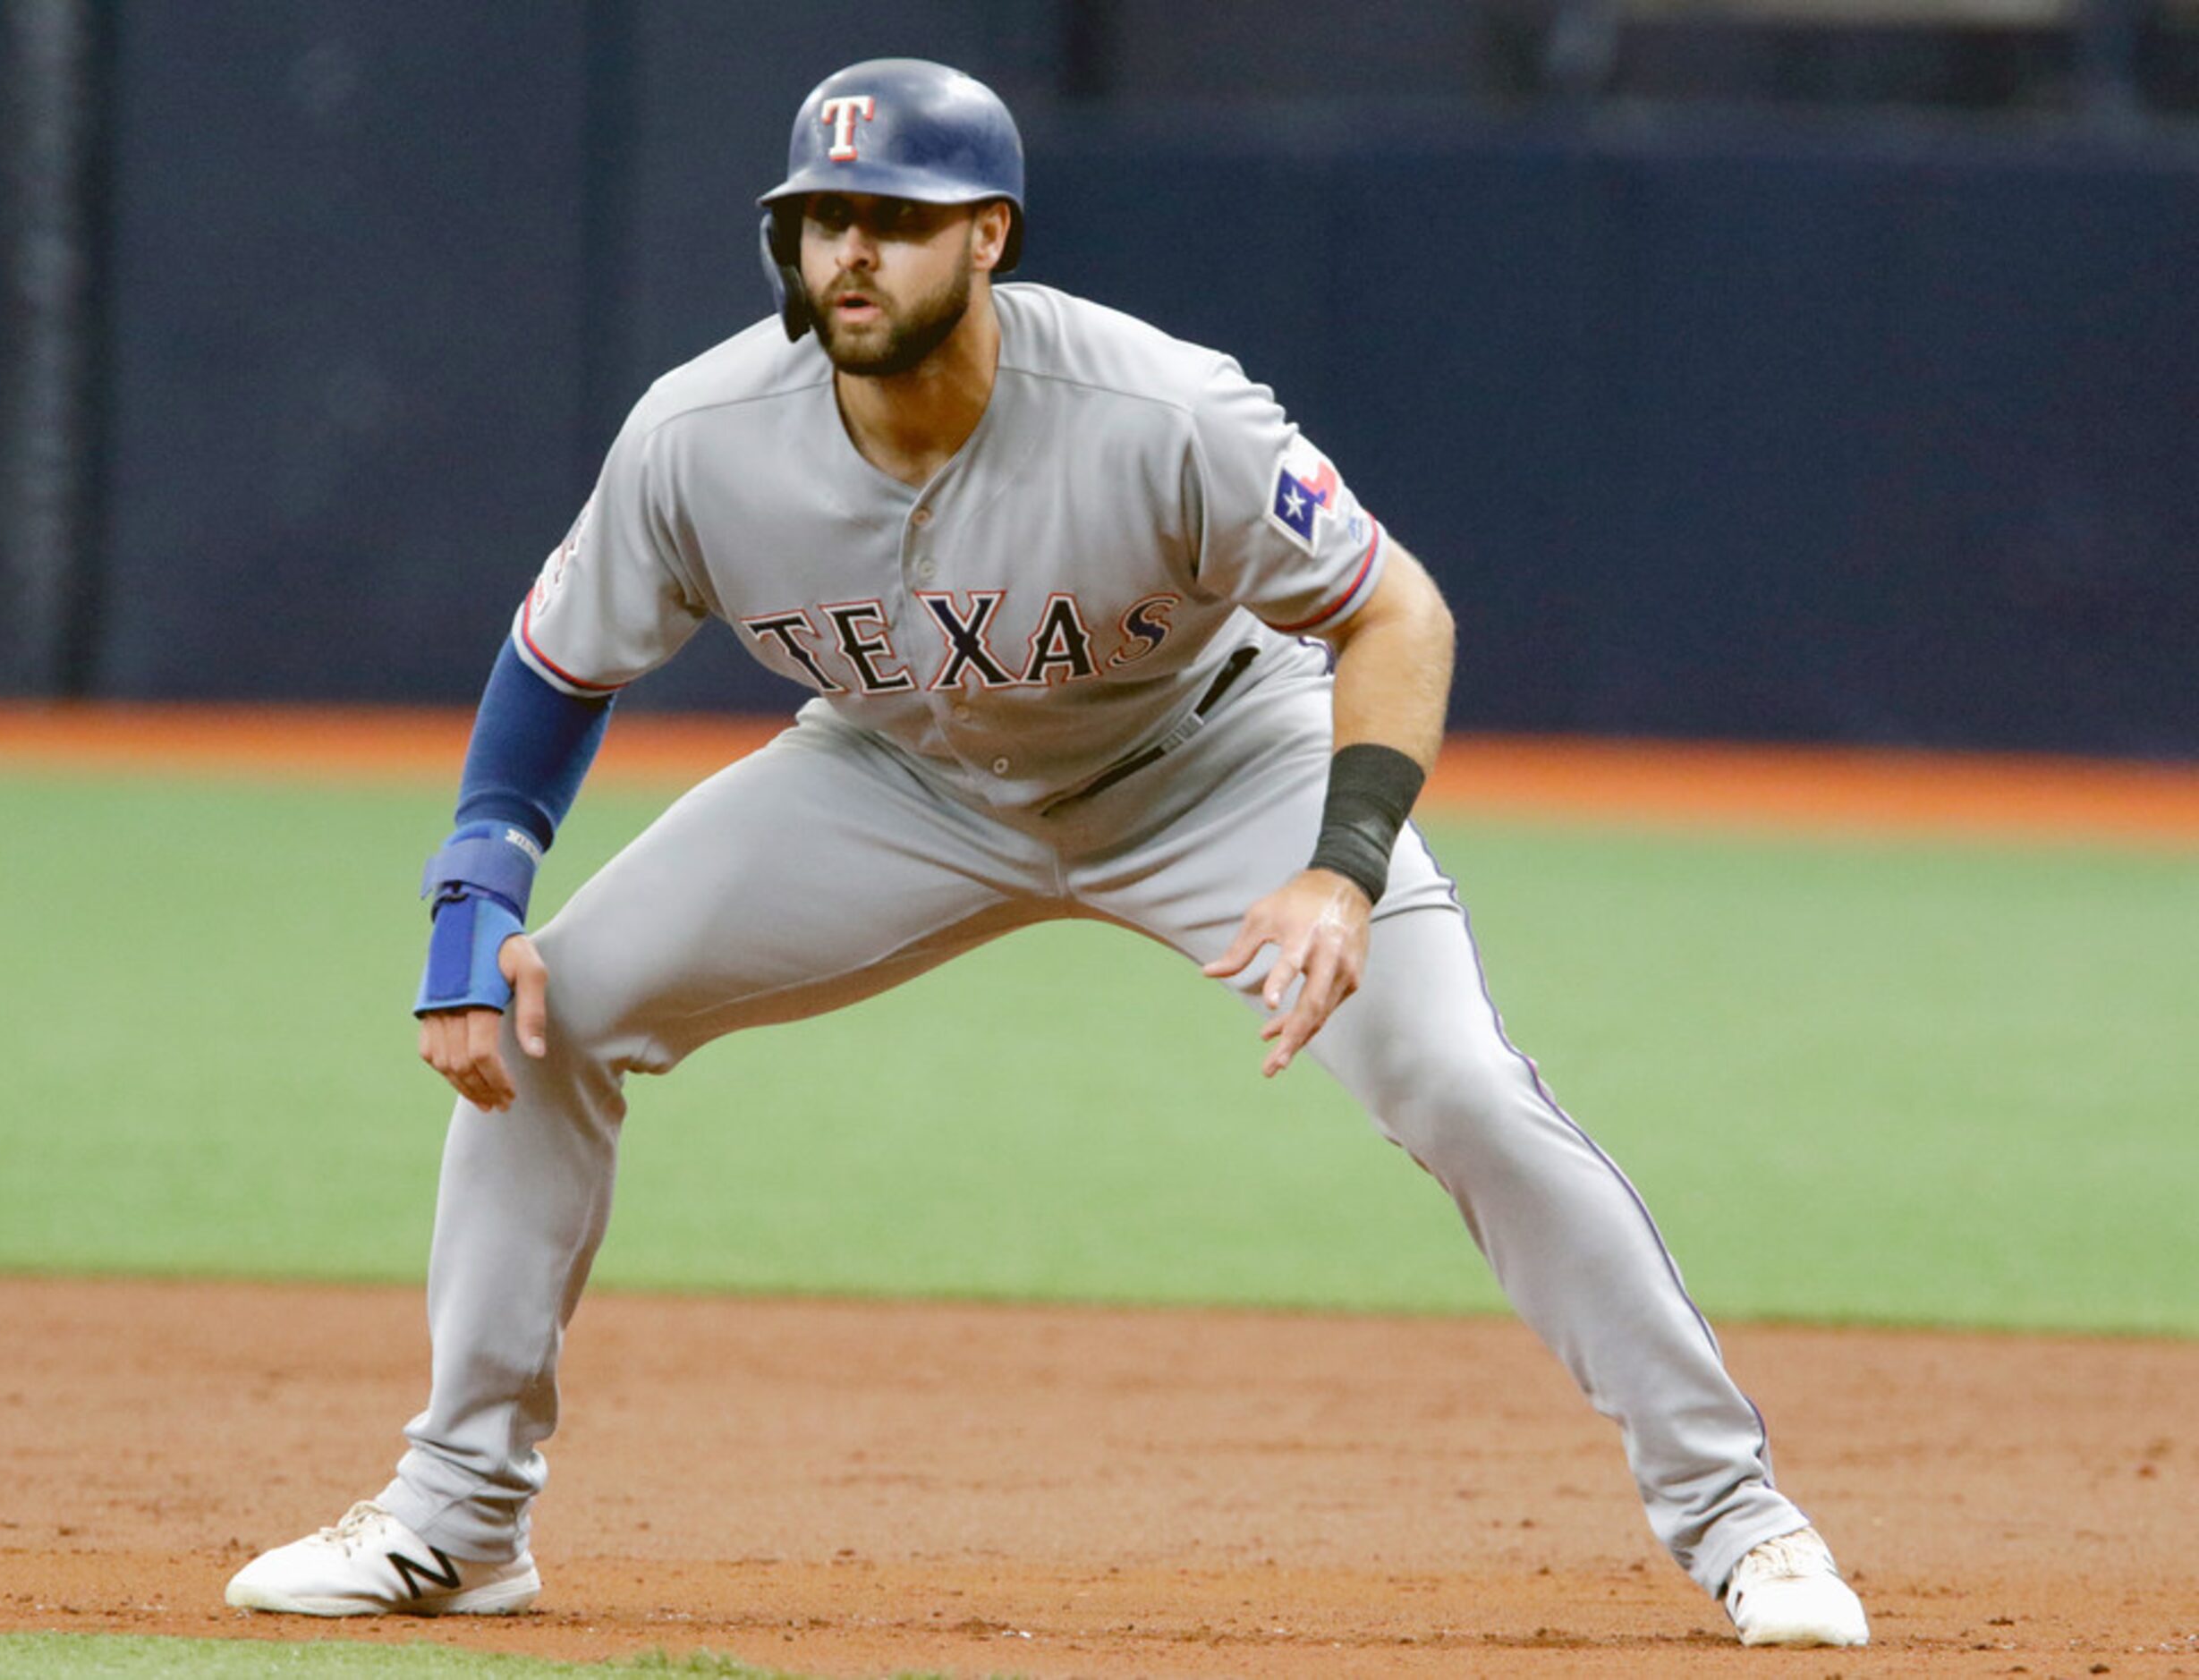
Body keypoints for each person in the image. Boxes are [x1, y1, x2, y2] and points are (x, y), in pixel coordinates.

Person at [224, 58, 1869, 1649]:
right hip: (897, 777)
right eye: (821, 214)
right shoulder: (701, 432)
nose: (850, 250)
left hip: (1214, 760)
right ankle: (459, 1518)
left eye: (896, 214)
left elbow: (1392, 606)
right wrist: (471, 896)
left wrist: (1341, 861)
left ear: (987, 235)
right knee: (547, 1006)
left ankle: (1741, 1521)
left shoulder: (1158, 408)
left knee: (1451, 1080)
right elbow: (558, 666)